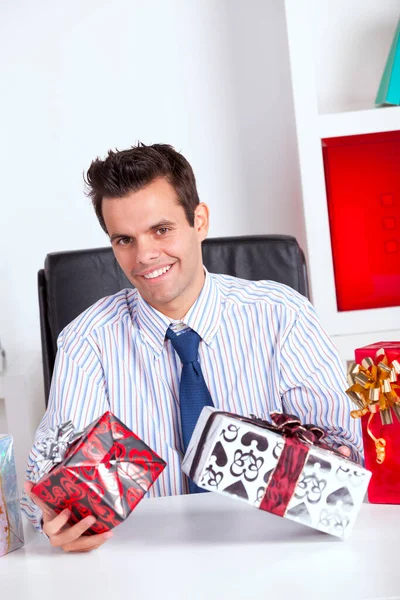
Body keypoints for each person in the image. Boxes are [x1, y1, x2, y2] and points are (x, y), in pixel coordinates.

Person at [22, 142, 362, 552]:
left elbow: (347, 456)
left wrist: (320, 468)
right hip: (143, 562)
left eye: (161, 230)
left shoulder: (283, 315)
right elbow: (49, 477)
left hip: (275, 550)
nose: (145, 256)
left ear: (199, 221)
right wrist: (55, 518)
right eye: (124, 240)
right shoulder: (86, 341)